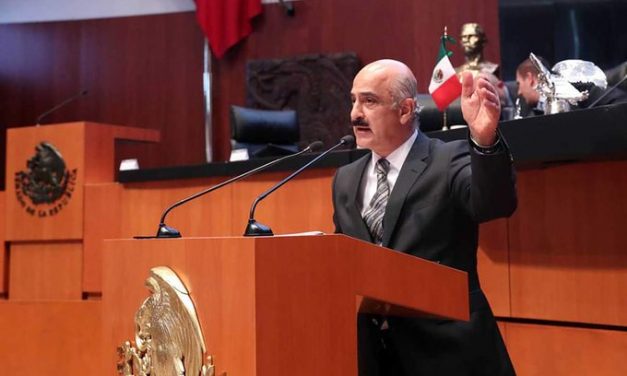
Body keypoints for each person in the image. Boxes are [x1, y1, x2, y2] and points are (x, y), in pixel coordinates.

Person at [332, 59, 517, 375]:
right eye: (353, 100)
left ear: (405, 110)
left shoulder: (447, 159)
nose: (355, 114)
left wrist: (484, 141)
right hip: (373, 357)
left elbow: (494, 205)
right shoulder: (345, 179)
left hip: (447, 354)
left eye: (369, 101)